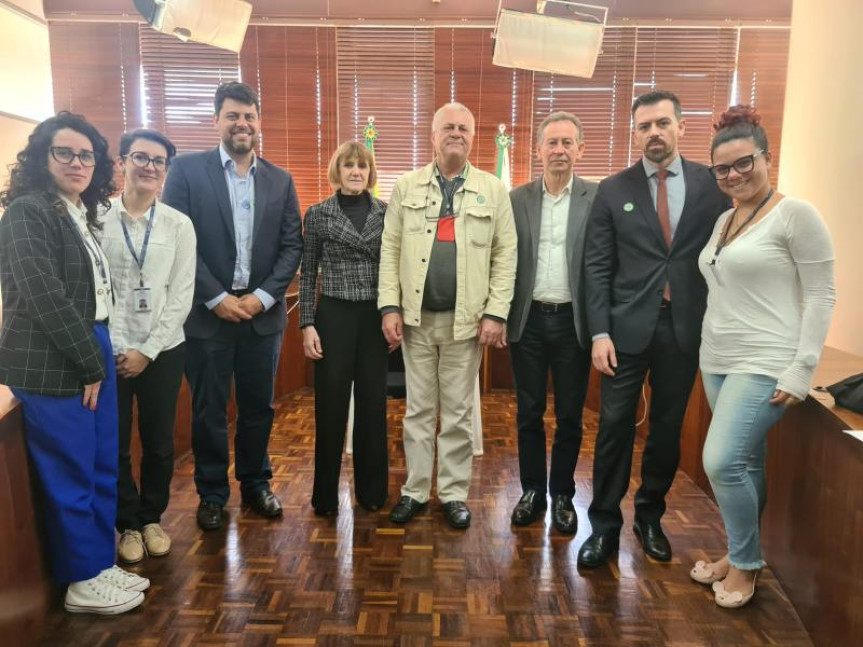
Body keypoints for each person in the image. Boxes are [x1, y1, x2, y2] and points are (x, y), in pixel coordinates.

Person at [0, 112, 149, 614]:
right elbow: (44, 297)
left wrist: (97, 354)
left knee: (100, 465)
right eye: (65, 152)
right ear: (43, 158)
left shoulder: (78, 212)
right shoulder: (27, 211)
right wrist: (90, 362)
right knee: (70, 473)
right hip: (54, 361)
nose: (77, 162)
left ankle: (100, 563)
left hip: (92, 345)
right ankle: (81, 582)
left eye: (86, 154)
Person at [578, 90, 732, 568]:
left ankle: (650, 517)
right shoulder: (614, 189)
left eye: (662, 123)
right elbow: (597, 267)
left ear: (681, 127)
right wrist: (600, 333)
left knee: (666, 431)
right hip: (624, 332)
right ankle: (603, 525)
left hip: (685, 329)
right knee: (614, 429)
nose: (654, 133)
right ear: (635, 133)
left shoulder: (714, 185)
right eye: (644, 126)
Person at [689, 106, 835, 608]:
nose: (733, 175)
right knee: (746, 463)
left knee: (720, 460)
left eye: (743, 163)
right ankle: (739, 551)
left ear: (766, 157)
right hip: (718, 358)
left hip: (766, 359)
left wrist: (802, 368)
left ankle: (747, 565)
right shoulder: (726, 218)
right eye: (723, 169)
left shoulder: (796, 214)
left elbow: (821, 295)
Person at [161, 82, 303, 531]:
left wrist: (261, 299)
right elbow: (178, 241)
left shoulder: (280, 180)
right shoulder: (185, 171)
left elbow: (292, 246)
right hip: (207, 317)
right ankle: (212, 493)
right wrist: (218, 298)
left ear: (259, 123)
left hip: (263, 318)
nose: (242, 124)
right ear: (217, 121)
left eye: (249, 116)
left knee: (259, 407)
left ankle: (256, 483)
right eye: (232, 116)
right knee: (209, 409)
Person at [378, 102, 517, 529]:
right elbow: (391, 249)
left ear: (473, 137)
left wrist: (496, 312)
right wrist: (389, 305)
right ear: (433, 135)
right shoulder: (405, 186)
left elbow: (505, 254)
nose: (456, 133)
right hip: (417, 321)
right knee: (418, 411)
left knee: (457, 413)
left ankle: (454, 494)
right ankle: (416, 491)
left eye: (463, 128)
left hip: (467, 323)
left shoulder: (492, 190)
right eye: (448, 127)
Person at [99, 128, 196, 563]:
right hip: (110, 351)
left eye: (158, 162)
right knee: (116, 443)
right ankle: (128, 525)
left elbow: (181, 295)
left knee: (159, 441)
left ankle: (152, 516)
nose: (149, 167)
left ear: (165, 171)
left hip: (163, 350)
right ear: (122, 162)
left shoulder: (178, 225)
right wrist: (120, 347)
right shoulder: (96, 218)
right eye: (141, 157)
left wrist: (147, 350)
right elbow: (95, 290)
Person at [507, 111, 596, 535]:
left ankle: (562, 494)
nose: (559, 150)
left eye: (567, 142)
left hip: (573, 325)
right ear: (538, 149)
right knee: (528, 412)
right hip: (528, 322)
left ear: (580, 149)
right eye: (552, 142)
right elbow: (502, 259)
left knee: (570, 416)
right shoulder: (517, 199)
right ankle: (531, 491)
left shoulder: (597, 199)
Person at [299, 142, 389, 517]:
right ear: (338, 170)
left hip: (374, 317)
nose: (356, 171)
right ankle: (324, 497)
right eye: (349, 165)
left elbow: (395, 268)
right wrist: (306, 324)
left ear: (370, 173)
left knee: (372, 407)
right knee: (331, 408)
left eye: (362, 166)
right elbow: (308, 273)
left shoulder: (388, 212)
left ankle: (373, 493)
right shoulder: (318, 214)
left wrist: (393, 315)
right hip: (333, 316)